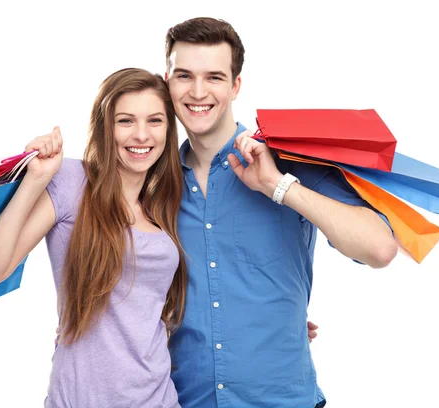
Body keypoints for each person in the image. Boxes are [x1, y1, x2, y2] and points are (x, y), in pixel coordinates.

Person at [163, 17, 398, 407]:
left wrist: (277, 186)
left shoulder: (290, 164)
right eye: (184, 75)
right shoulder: (153, 182)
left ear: (236, 85)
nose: (198, 91)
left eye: (215, 77)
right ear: (166, 81)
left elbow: (380, 248)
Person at [0, 68, 188, 408]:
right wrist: (35, 180)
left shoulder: (165, 205)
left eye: (155, 121)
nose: (142, 134)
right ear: (105, 127)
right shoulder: (73, 182)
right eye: (126, 121)